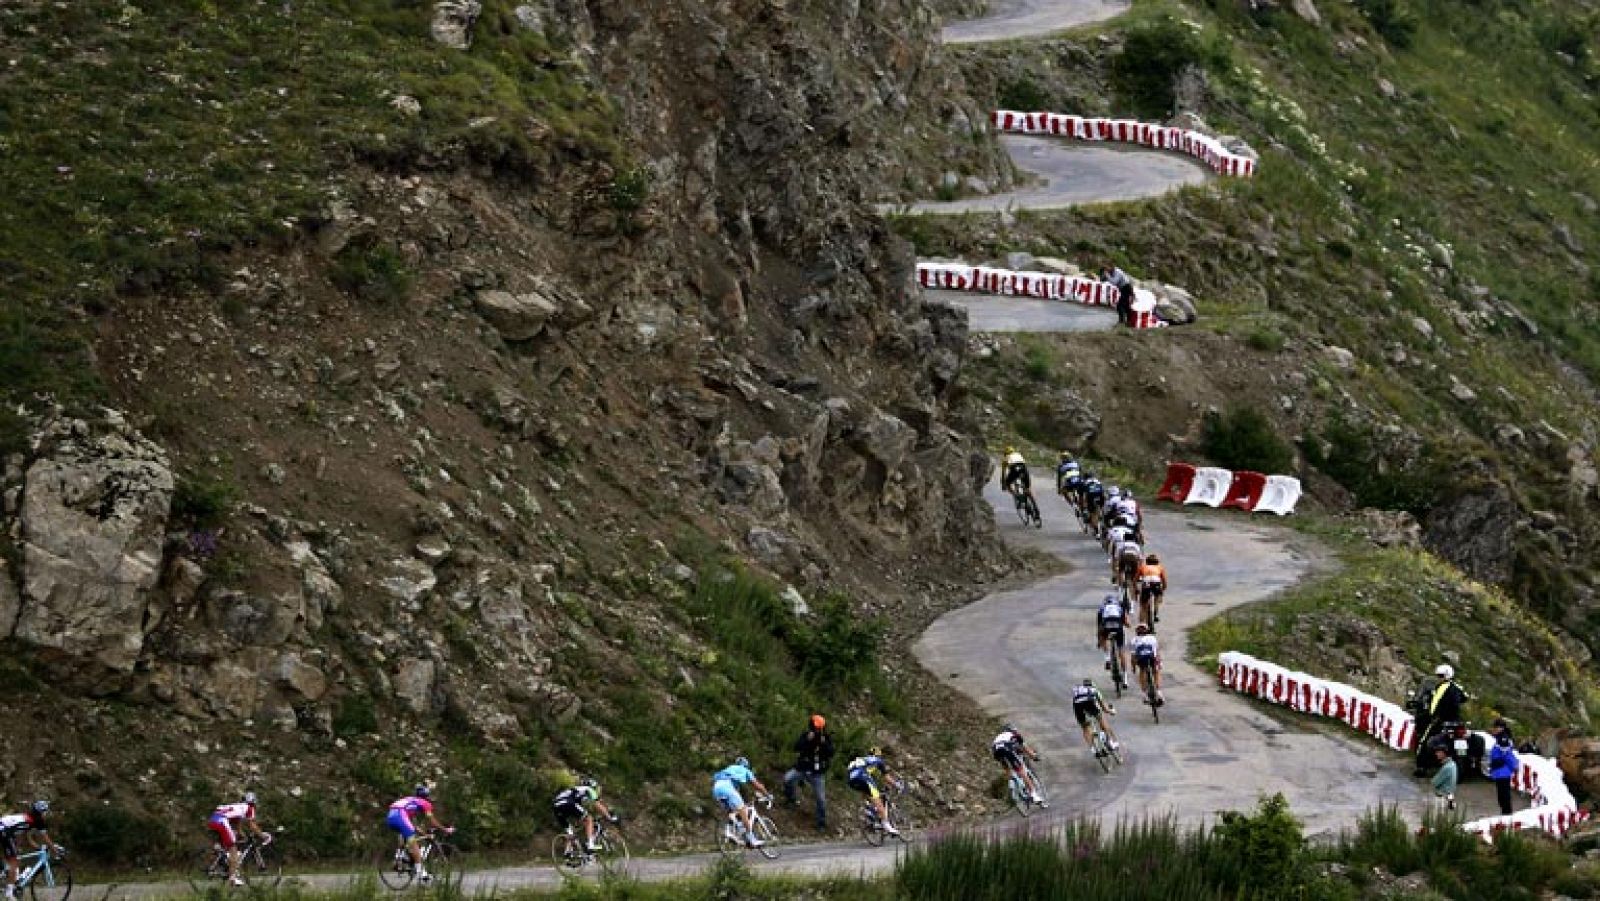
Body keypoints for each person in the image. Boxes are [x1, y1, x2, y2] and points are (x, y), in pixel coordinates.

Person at [387, 786, 452, 884]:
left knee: (406, 832)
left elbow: (413, 826)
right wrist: (445, 829)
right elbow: (432, 821)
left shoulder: (410, 801)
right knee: (413, 842)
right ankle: (421, 872)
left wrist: (425, 834)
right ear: (426, 797)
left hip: (390, 816)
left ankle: (400, 856)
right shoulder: (425, 803)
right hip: (400, 815)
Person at [1414, 664, 1469, 776]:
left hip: (1440, 720)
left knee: (1424, 741)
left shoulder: (1441, 688)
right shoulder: (1457, 687)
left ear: (1446, 675)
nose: (1438, 677)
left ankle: (1421, 767)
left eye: (1440, 675)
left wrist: (1432, 715)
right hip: (1456, 721)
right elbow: (1465, 697)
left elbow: (1434, 705)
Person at [783, 714, 834, 831]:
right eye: (816, 727)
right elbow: (796, 747)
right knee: (787, 779)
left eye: (820, 728)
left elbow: (831, 753)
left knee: (821, 798)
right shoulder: (806, 735)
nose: (818, 730)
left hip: (817, 772)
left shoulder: (826, 738)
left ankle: (821, 823)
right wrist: (807, 740)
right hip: (802, 767)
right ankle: (791, 799)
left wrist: (824, 744)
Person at [207, 791, 269, 887]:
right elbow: (252, 825)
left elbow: (238, 827)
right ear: (253, 802)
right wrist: (263, 835)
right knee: (233, 848)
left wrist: (243, 835)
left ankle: (221, 859)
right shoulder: (249, 808)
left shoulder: (239, 807)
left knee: (232, 840)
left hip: (214, 819)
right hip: (221, 821)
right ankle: (233, 878)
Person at [2, 801, 61, 901]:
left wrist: (38, 848)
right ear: (41, 812)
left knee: (13, 857)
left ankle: (7, 874)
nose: (45, 814)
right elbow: (45, 838)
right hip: (4, 831)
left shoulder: (29, 818)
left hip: (5, 829)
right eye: (45, 812)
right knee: (14, 862)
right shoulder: (38, 821)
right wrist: (54, 850)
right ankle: (9, 893)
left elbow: (27, 837)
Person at [713, 757, 773, 848]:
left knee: (733, 812)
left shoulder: (730, 768)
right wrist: (768, 796)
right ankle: (751, 839)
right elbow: (758, 786)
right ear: (746, 765)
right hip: (727, 788)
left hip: (716, 788)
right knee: (743, 810)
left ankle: (729, 831)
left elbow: (736, 790)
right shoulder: (746, 770)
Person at [552, 777, 617, 857]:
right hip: (568, 803)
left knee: (570, 831)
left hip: (556, 806)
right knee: (589, 819)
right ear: (593, 786)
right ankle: (590, 844)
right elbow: (597, 805)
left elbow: (581, 808)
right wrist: (609, 817)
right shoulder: (589, 789)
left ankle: (568, 853)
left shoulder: (576, 790)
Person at [846, 748, 903, 836]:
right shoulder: (878, 760)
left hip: (851, 779)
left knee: (867, 793)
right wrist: (897, 785)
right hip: (862, 777)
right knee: (878, 800)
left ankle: (869, 811)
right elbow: (886, 777)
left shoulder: (863, 760)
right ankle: (887, 825)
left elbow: (868, 775)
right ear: (878, 755)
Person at [991, 724, 1046, 807]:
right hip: (1006, 748)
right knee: (1021, 770)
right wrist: (1034, 756)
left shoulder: (1000, 736)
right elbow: (1025, 748)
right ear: (1013, 730)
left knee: (1007, 768)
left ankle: (1012, 780)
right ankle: (1034, 795)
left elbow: (1015, 748)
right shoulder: (1015, 735)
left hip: (995, 750)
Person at [1072, 678, 1120, 754]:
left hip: (1077, 704)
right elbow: (1105, 708)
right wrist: (1112, 712)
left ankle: (1093, 749)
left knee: (1085, 727)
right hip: (1089, 702)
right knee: (1101, 719)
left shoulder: (1078, 689)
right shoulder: (1094, 690)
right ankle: (1110, 743)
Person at [1097, 593, 1131, 686]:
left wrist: (1099, 641)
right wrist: (1128, 625)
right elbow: (1127, 623)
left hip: (1106, 625)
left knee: (1103, 636)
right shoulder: (1119, 607)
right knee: (1121, 651)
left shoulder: (1102, 608)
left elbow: (1099, 626)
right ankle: (1125, 679)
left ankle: (1107, 657)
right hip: (1118, 627)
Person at [1489, 718, 1519, 816]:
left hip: (1503, 771)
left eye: (1496, 727)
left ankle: (1507, 815)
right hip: (1499, 771)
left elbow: (1507, 755)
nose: (1494, 729)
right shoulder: (1500, 738)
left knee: (1504, 796)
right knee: (1502, 796)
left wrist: (1513, 766)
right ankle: (1506, 814)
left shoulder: (1503, 740)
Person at [1131, 623, 1163, 704]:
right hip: (1151, 657)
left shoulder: (1134, 640)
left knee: (1142, 671)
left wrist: (1134, 667)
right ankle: (1159, 692)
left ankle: (1144, 694)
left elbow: (1133, 656)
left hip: (1141, 658)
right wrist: (1159, 664)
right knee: (1156, 671)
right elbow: (1157, 652)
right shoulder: (1152, 638)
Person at [1138, 553, 1168, 626]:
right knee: (1157, 598)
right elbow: (1164, 580)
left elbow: (1135, 579)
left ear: (1147, 561)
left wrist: (1136, 588)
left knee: (1143, 604)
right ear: (1157, 562)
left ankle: (1142, 623)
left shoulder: (1143, 567)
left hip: (1146, 582)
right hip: (1156, 582)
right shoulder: (1159, 567)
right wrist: (1163, 589)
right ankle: (1155, 613)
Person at [1431, 747, 1458, 811]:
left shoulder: (1446, 767)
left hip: (1443, 797)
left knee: (1440, 816)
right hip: (1450, 794)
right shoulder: (1453, 764)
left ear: (1444, 754)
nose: (1436, 754)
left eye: (1438, 752)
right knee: (1451, 812)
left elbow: (1434, 782)